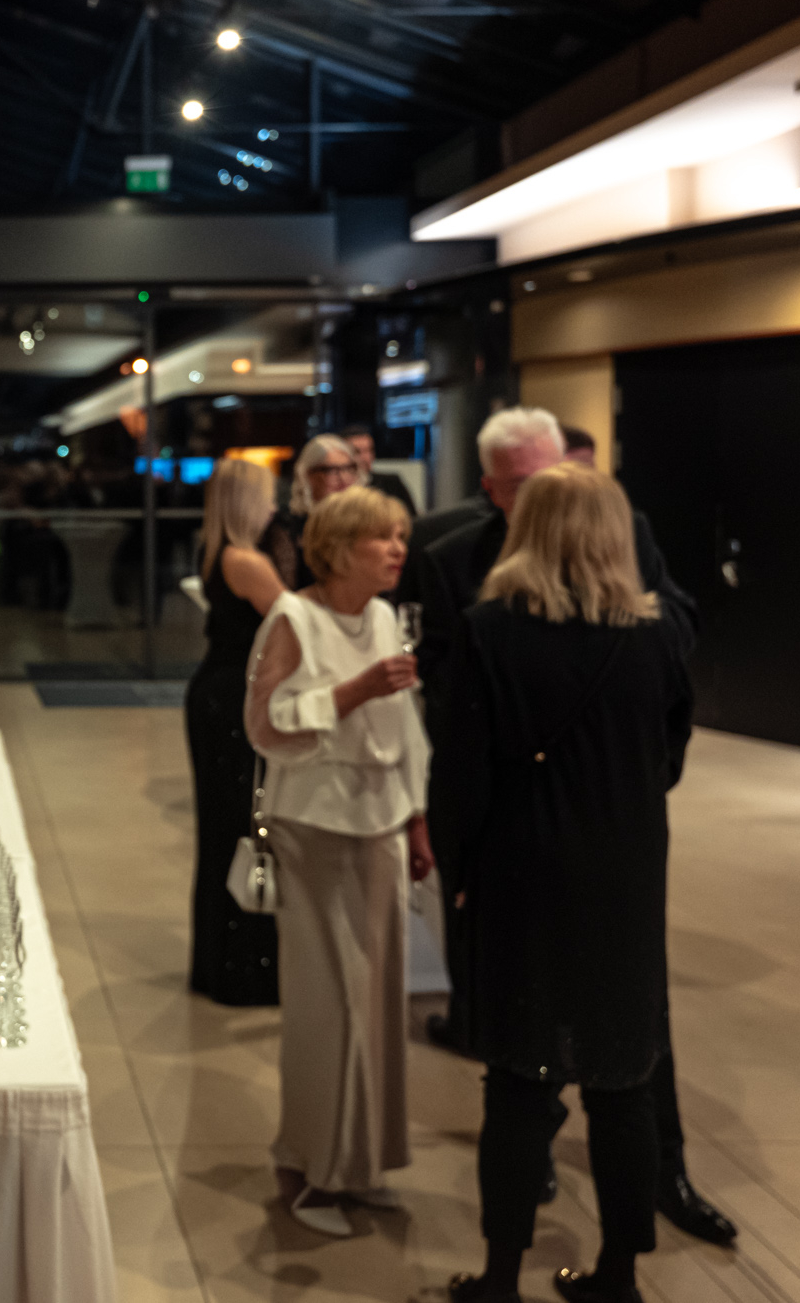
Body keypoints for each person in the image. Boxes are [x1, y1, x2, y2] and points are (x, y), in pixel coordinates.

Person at [417, 406, 734, 1246]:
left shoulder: (617, 583)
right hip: (579, 843)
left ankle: (642, 1188)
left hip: (561, 844)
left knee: (611, 1053)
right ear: (492, 489)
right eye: (522, 479)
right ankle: (600, 1247)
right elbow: (452, 713)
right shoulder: (454, 564)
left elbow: (466, 763)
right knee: (555, 1060)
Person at [243, 485, 433, 1237]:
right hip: (314, 826)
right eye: (382, 537)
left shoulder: (384, 616)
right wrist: (352, 690)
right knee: (329, 1002)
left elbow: (406, 728)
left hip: (380, 821)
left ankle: (360, 1163)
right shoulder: (294, 617)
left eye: (400, 537)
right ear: (338, 548)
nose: (397, 550)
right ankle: (313, 1169)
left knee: (380, 998)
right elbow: (265, 725)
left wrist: (417, 820)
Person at [184, 459, 289, 1006]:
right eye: (268, 497)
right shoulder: (246, 560)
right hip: (233, 701)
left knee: (224, 828)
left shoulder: (217, 552)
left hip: (218, 694)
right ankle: (242, 968)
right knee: (241, 826)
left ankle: (220, 962)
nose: (275, 507)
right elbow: (294, 623)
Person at [260, 433, 360, 589]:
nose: (343, 478)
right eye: (331, 470)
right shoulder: (288, 526)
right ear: (308, 475)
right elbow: (287, 592)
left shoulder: (365, 522)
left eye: (348, 468)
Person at [343, 422, 419, 515]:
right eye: (357, 451)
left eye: (369, 450)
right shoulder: (340, 486)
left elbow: (412, 520)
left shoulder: (391, 484)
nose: (366, 457)